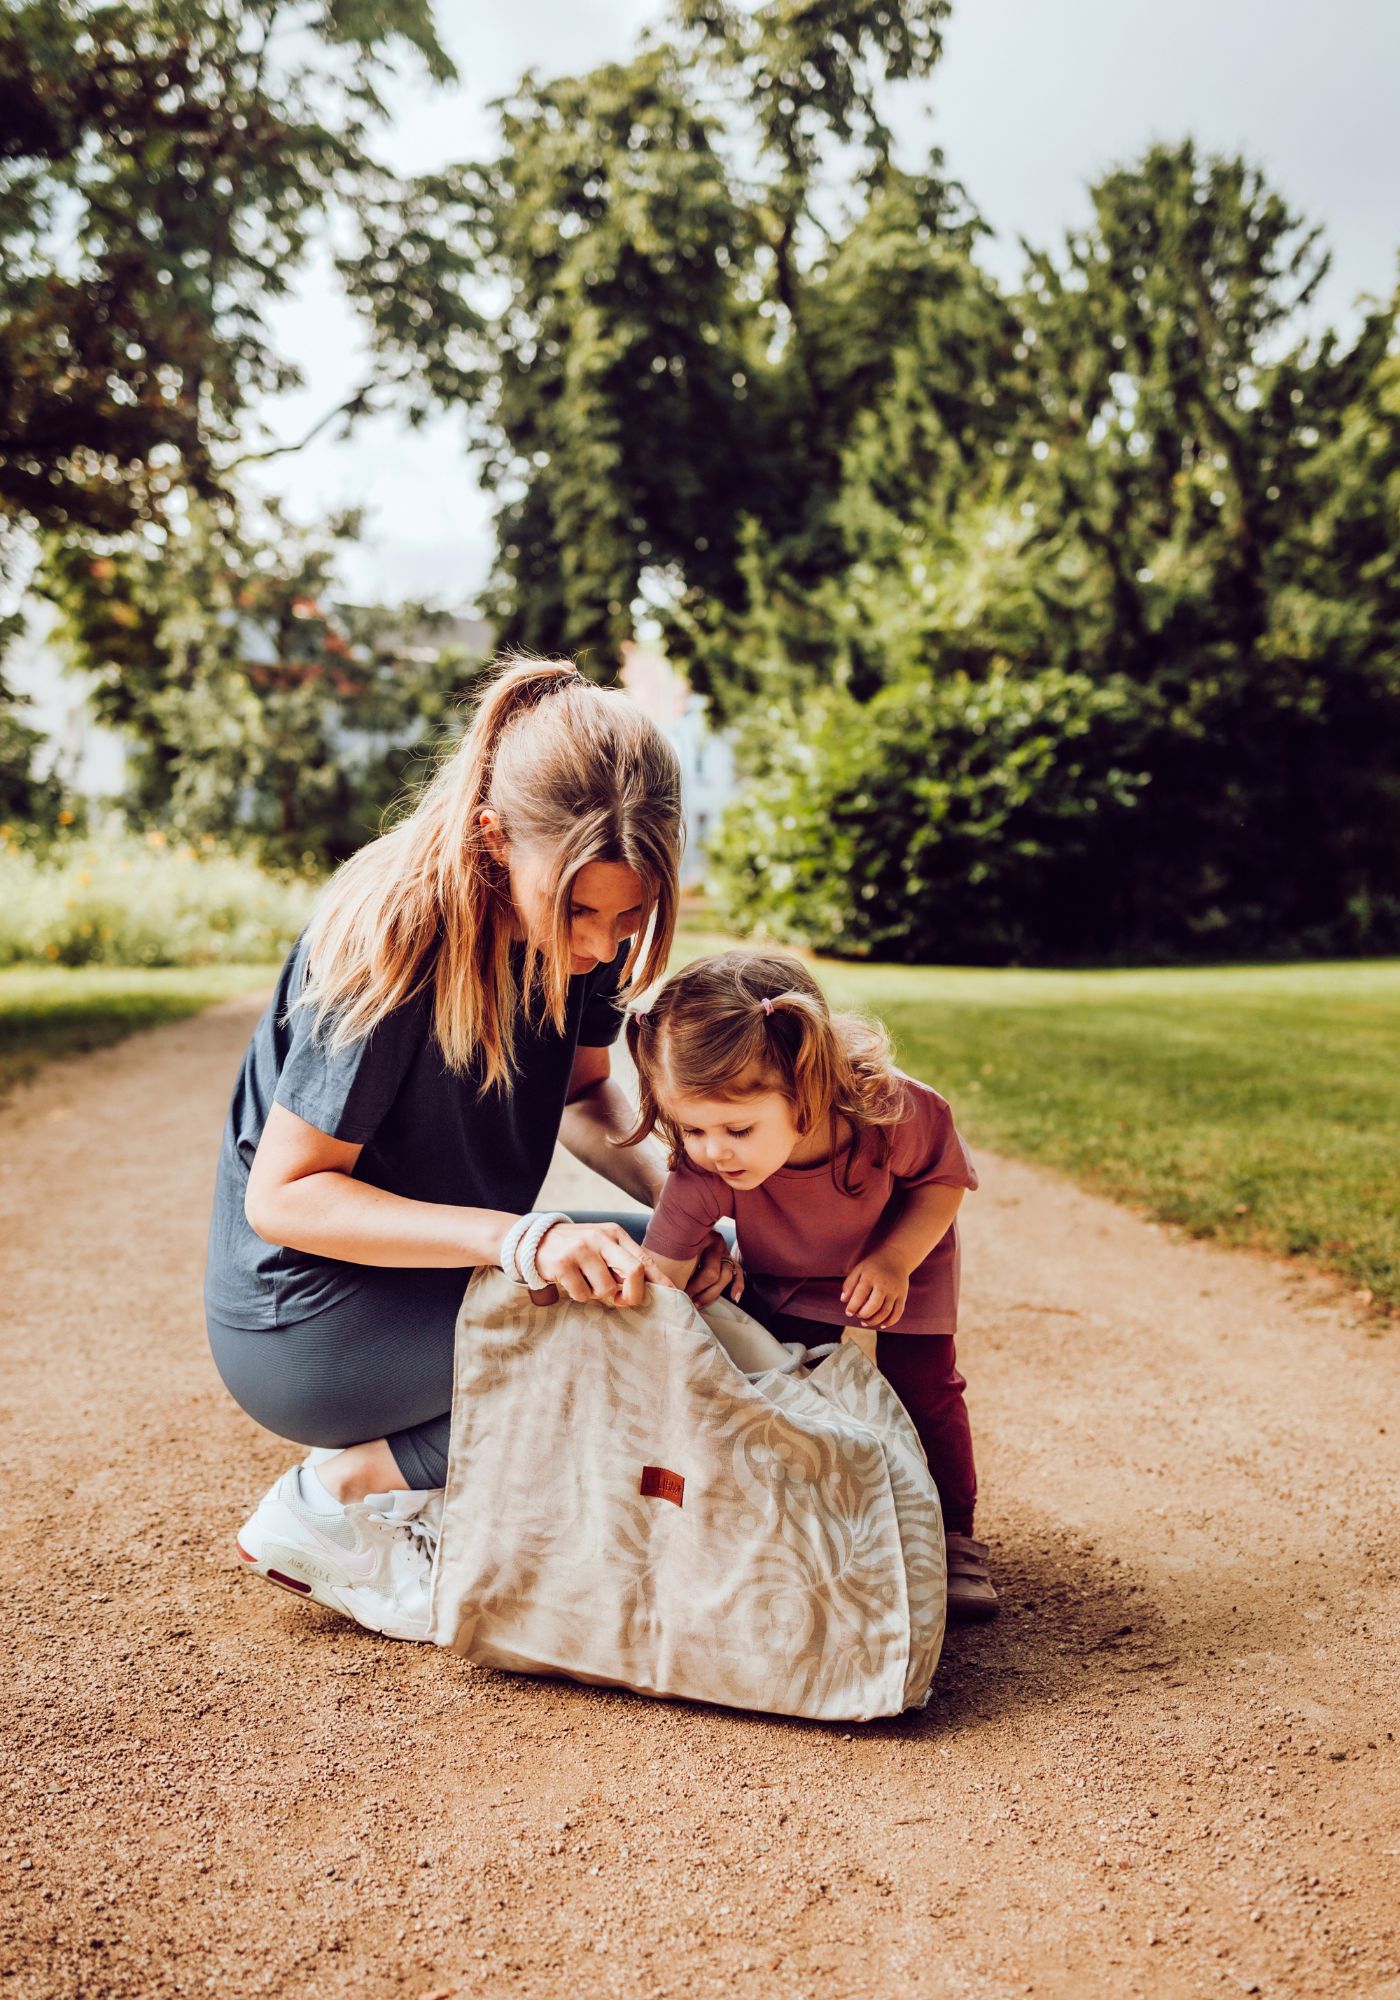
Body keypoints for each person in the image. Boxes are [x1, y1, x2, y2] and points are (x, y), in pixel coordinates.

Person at [205, 659, 735, 1642]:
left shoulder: (590, 920)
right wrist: (518, 1240)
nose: (602, 945)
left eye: (629, 917)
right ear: (495, 839)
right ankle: (334, 1501)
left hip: (437, 1274)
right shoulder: (393, 935)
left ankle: (431, 1483)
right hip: (306, 1318)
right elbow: (284, 1196)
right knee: (614, 1320)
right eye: (580, 913)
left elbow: (582, 1093)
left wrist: (694, 1203)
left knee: (686, 1270)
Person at [620, 948, 999, 1623]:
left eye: (738, 1128)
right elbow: (661, 1282)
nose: (713, 1150)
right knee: (785, 1390)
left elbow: (944, 1181)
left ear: (808, 1085)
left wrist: (894, 1259)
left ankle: (951, 1537)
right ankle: (816, 1521)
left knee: (926, 1389)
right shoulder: (703, 1169)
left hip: (902, 1258)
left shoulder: (890, 1109)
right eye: (692, 1128)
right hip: (788, 1272)